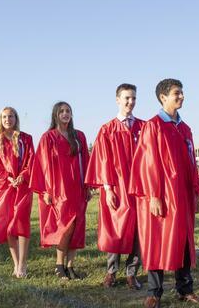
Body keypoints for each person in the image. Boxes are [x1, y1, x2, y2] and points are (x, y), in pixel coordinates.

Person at [129, 79, 199, 307]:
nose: (181, 96)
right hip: (162, 196)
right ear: (163, 97)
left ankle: (185, 289)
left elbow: (192, 163)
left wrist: (195, 193)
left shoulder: (184, 128)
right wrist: (153, 195)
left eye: (182, 92)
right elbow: (147, 163)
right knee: (157, 240)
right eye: (176, 93)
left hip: (182, 195)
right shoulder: (153, 126)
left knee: (183, 241)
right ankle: (155, 291)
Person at [85, 83, 145, 290]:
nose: (130, 102)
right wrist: (108, 189)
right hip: (116, 186)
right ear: (117, 99)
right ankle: (111, 271)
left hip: (139, 188)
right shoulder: (107, 130)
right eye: (127, 98)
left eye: (134, 98)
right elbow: (102, 160)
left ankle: (132, 273)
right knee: (115, 229)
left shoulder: (144, 127)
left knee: (139, 230)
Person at [29, 101, 91, 280]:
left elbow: (86, 162)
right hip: (59, 189)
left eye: (68, 111)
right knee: (65, 227)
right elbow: (42, 165)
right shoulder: (48, 137)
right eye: (62, 111)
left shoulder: (79, 136)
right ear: (55, 115)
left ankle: (70, 266)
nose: (65, 114)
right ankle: (59, 265)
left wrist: (87, 186)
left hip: (77, 188)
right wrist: (45, 190)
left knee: (77, 226)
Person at [0, 107, 34, 278]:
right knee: (10, 228)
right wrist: (7, 177)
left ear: (15, 118)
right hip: (5, 189)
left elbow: (31, 161)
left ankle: (23, 264)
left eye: (11, 116)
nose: (7, 119)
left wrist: (23, 175)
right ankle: (16, 263)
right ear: (0, 119)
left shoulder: (26, 139)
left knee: (22, 224)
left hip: (23, 187)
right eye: (4, 117)